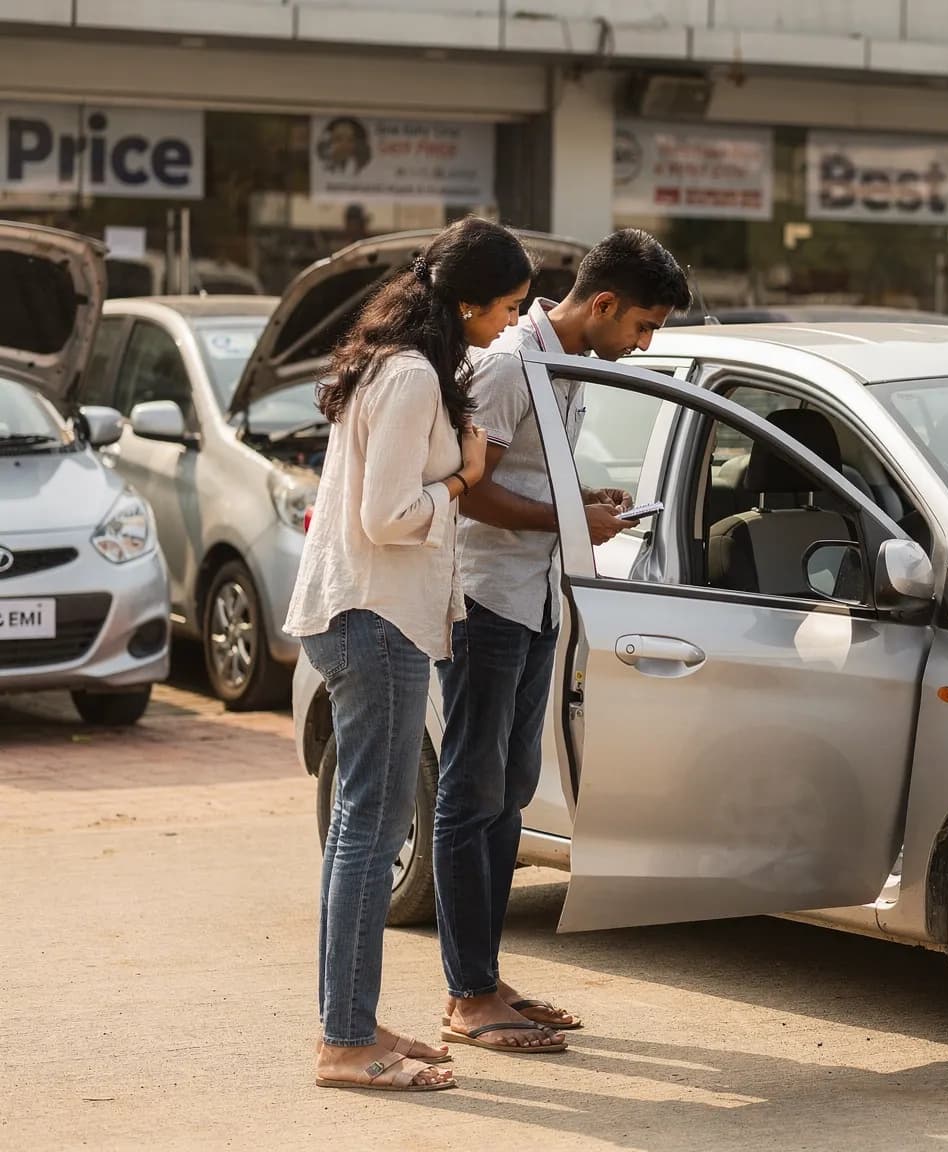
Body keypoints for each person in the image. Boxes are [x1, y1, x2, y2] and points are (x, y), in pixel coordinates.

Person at [285, 216, 535, 1091]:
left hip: (371, 616)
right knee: (370, 836)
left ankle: (351, 1023)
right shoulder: (408, 377)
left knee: (363, 832)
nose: (509, 323)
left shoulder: (400, 367)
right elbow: (387, 517)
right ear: (465, 301)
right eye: (505, 307)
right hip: (373, 618)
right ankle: (346, 1044)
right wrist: (465, 478)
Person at [434, 228, 691, 1053]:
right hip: (486, 601)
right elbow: (471, 496)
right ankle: (467, 995)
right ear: (605, 304)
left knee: (509, 789)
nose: (643, 345)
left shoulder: (562, 366)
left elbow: (524, 479)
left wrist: (585, 497)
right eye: (643, 328)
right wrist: (574, 515)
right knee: (470, 796)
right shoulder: (512, 363)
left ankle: (485, 979)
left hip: (535, 598)